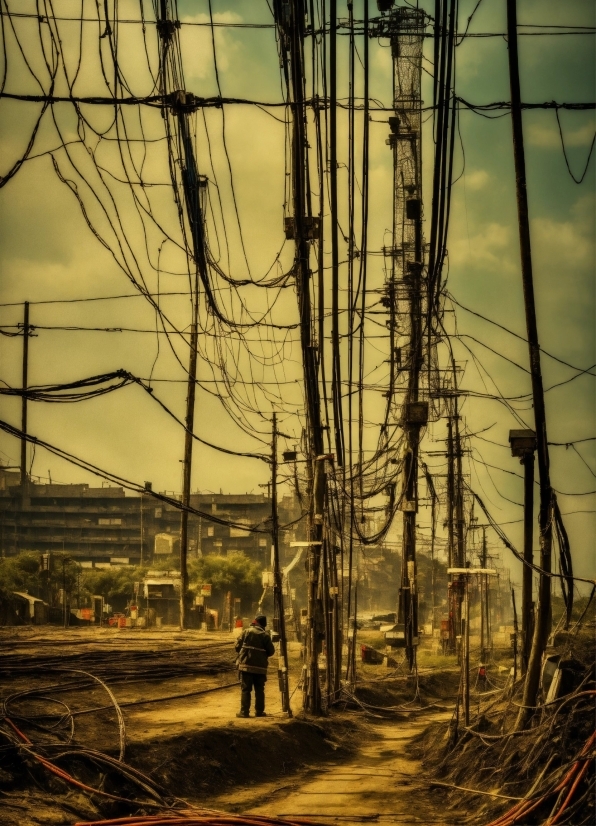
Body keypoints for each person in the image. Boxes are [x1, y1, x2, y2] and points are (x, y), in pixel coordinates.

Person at [234, 614, 275, 718]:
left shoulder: (247, 631)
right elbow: (271, 651)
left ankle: (244, 712)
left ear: (256, 622)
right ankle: (259, 712)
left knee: (246, 689)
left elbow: (237, 647)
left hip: (246, 666)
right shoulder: (265, 635)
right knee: (259, 690)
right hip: (260, 669)